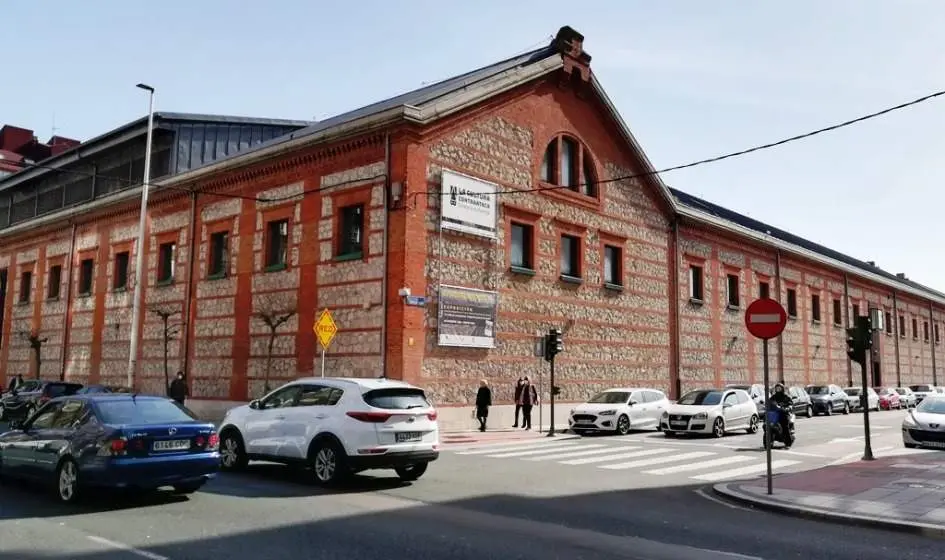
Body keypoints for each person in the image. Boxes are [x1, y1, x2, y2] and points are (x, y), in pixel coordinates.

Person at [768, 383, 794, 448]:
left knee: (785, 426)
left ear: (782, 389)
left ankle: (788, 443)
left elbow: (790, 404)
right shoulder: (773, 397)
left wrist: (788, 408)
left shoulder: (786, 397)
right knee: (767, 424)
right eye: (777, 388)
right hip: (775, 414)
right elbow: (769, 403)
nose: (778, 389)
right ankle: (769, 441)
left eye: (779, 388)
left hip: (783, 413)